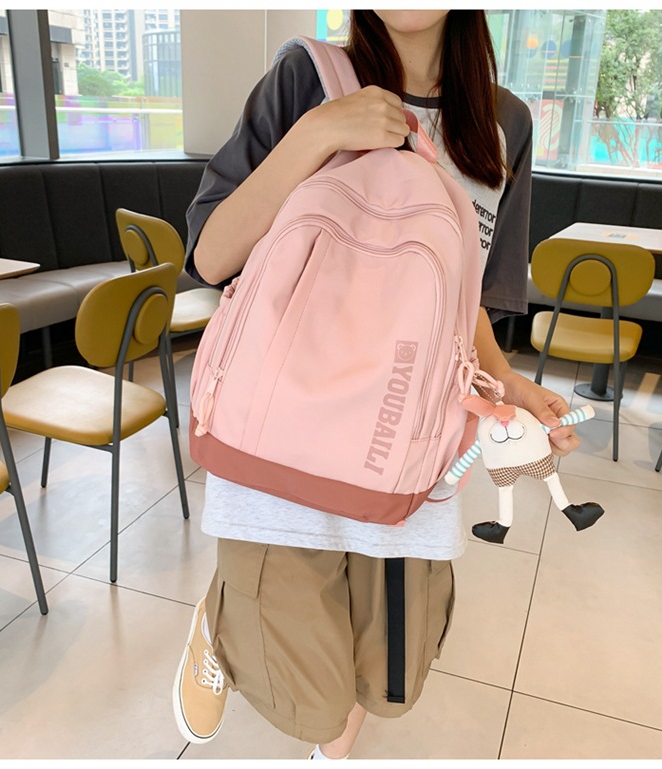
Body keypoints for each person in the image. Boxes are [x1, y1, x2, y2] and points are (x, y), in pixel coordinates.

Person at [172, 10, 580, 760]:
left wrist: (507, 384)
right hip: (285, 433)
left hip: (406, 445)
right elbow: (210, 257)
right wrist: (316, 135)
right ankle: (224, 613)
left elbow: (466, 300)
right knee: (309, 694)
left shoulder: (505, 124)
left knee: (387, 676)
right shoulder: (304, 77)